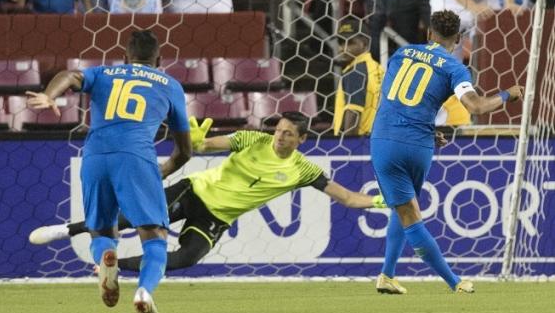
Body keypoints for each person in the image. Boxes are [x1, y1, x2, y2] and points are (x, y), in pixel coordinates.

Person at [29, 111, 388, 274]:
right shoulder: (253, 139)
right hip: (195, 191)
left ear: (301, 140)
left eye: (288, 134)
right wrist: (197, 141)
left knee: (186, 259)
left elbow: (344, 196)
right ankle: (68, 230)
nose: (280, 137)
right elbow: (210, 145)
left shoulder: (304, 170)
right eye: (278, 130)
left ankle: (109, 268)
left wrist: (375, 201)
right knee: (130, 220)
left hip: (216, 217)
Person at [26, 30, 192, 313]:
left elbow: (70, 75)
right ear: (159, 60)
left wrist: (48, 95)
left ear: (125, 58)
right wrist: (161, 172)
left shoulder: (104, 73)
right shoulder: (170, 85)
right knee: (154, 234)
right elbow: (184, 152)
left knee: (101, 230)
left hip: (95, 157)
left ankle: (105, 259)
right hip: (137, 157)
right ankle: (144, 291)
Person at [370, 10, 524, 294]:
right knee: (408, 210)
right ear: (457, 40)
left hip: (383, 139)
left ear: (429, 33)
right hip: (416, 145)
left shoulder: (402, 54)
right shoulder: (454, 67)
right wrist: (507, 94)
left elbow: (394, 101)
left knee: (404, 207)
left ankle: (387, 275)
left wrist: (426, 128)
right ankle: (454, 282)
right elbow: (476, 107)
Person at [332, 18, 384, 136]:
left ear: (364, 44)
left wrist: (347, 148)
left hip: (358, 143)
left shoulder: (354, 72)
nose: (342, 49)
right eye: (341, 42)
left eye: (350, 42)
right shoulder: (377, 68)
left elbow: (353, 113)